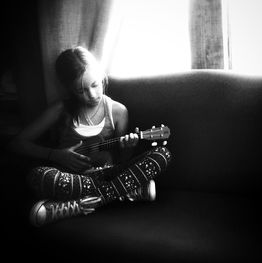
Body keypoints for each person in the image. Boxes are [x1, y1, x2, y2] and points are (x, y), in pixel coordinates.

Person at [10, 46, 171, 227]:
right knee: (37, 175)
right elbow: (17, 143)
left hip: (106, 174)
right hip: (69, 177)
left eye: (95, 85)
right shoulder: (60, 110)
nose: (92, 95)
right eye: (81, 91)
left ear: (101, 75)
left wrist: (129, 147)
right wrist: (55, 155)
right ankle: (124, 192)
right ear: (69, 89)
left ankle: (80, 204)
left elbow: (121, 162)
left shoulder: (118, 111)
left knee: (162, 155)